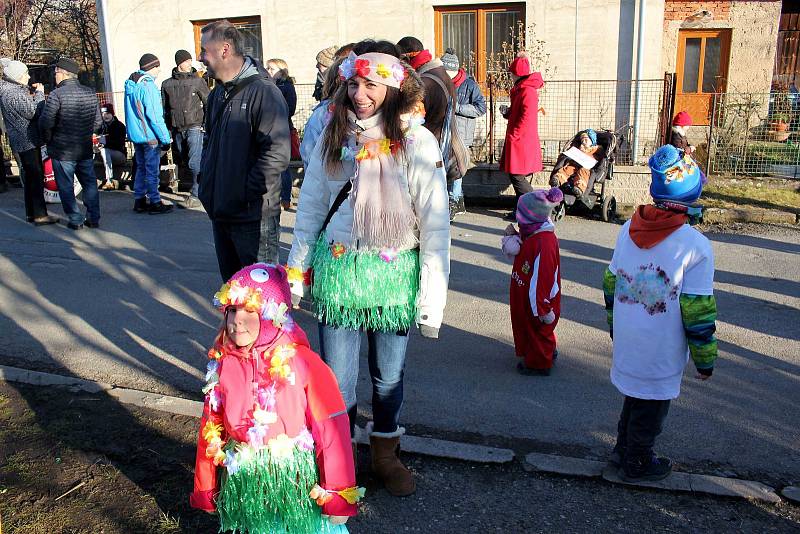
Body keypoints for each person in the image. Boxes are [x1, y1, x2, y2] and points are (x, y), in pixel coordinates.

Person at [287, 41, 450, 497]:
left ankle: (384, 455)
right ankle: (339, 459)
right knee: (336, 379)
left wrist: (431, 300)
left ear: (394, 88)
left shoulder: (418, 142)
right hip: (339, 273)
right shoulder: (331, 136)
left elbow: (435, 224)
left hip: (393, 278)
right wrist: (295, 275)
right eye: (354, 83)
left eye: (371, 84)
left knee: (388, 376)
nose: (360, 93)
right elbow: (311, 210)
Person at [190, 263, 361, 532]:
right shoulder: (223, 363)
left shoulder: (304, 364)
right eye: (231, 310)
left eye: (249, 310)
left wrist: (338, 492)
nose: (236, 320)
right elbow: (210, 428)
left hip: (294, 481)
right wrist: (206, 486)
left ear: (271, 315)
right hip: (243, 478)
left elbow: (331, 429)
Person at [603, 144, 717, 482]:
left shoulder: (628, 229)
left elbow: (611, 283)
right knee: (652, 406)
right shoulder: (695, 246)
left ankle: (621, 452)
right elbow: (697, 311)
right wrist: (705, 358)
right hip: (661, 345)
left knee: (635, 397)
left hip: (629, 336)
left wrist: (614, 326)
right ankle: (638, 462)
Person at [198, 20, 289, 281]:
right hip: (222, 211)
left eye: (204, 50)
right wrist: (208, 187)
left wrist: (244, 195)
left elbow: (275, 154)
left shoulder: (264, 92)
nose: (200, 57)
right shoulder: (217, 94)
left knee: (261, 302)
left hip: (253, 217)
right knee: (234, 297)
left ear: (224, 49)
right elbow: (209, 146)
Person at [501, 187, 563, 376]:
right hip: (528, 295)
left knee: (538, 328)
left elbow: (542, 278)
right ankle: (545, 350)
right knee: (530, 327)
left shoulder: (543, 242)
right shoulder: (533, 234)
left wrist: (542, 308)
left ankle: (539, 363)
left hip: (537, 301)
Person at [38, 57, 102, 230]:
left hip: (62, 149)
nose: (54, 76)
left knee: (66, 186)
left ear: (63, 73)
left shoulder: (56, 95)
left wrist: (50, 137)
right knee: (89, 183)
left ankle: (75, 219)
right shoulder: (90, 92)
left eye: (56, 72)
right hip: (84, 148)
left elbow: (45, 123)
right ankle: (93, 217)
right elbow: (98, 123)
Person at [396, 37, 464, 191]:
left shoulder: (426, 82)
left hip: (429, 154)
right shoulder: (439, 73)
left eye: (400, 61)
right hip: (442, 149)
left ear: (408, 57)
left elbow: (408, 122)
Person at [0, 60, 57, 225]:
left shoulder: (9, 90)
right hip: (27, 140)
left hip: (22, 139)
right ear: (17, 76)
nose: (28, 77)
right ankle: (39, 215)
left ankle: (31, 213)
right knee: (35, 177)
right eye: (25, 74)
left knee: (30, 177)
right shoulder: (12, 93)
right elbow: (33, 112)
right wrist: (40, 94)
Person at [124, 53, 173, 215]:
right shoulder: (148, 86)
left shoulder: (131, 85)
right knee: (152, 170)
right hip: (150, 136)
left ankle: (139, 200)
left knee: (141, 168)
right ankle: (155, 201)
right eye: (158, 67)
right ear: (152, 67)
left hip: (136, 135)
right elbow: (154, 116)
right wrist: (165, 138)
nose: (159, 70)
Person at [499, 52, 544, 221]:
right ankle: (522, 211)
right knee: (516, 175)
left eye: (511, 73)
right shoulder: (522, 89)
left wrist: (515, 134)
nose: (510, 76)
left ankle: (536, 207)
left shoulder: (527, 91)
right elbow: (519, 113)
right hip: (520, 139)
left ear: (516, 74)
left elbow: (526, 117)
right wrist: (508, 113)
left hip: (521, 140)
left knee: (517, 176)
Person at [162, 49, 209, 209]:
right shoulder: (167, 84)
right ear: (179, 63)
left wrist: (207, 125)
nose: (190, 64)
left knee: (194, 162)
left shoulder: (198, 81)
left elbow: (208, 102)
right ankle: (201, 189)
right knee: (184, 160)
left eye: (190, 61)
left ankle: (196, 195)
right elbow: (165, 108)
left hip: (195, 125)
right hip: (177, 127)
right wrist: (167, 130)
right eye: (186, 61)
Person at [441, 48, 486, 218]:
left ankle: (453, 201)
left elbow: (480, 108)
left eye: (449, 72)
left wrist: (458, 108)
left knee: (458, 168)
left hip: (462, 133)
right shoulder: (442, 82)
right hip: (444, 133)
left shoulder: (469, 84)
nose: (447, 76)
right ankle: (456, 201)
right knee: (446, 167)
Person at [266, 58, 297, 213]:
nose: (268, 71)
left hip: (282, 129)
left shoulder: (287, 86)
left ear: (281, 70)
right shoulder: (267, 86)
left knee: (283, 166)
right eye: (268, 68)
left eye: (271, 69)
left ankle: (285, 198)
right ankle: (273, 197)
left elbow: (290, 108)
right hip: (268, 129)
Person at [552, 129, 602, 195]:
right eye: (582, 140)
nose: (583, 142)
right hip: (576, 164)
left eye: (586, 140)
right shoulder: (579, 148)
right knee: (568, 168)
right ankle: (558, 179)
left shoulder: (596, 150)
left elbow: (599, 158)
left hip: (587, 167)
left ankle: (579, 187)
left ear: (592, 140)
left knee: (583, 172)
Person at [97, 103, 127, 190]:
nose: (105, 116)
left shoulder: (120, 126)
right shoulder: (101, 127)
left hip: (119, 154)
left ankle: (109, 180)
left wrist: (105, 142)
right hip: (104, 154)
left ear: (112, 113)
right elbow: (100, 141)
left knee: (104, 150)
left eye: (107, 113)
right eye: (103, 114)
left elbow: (119, 143)